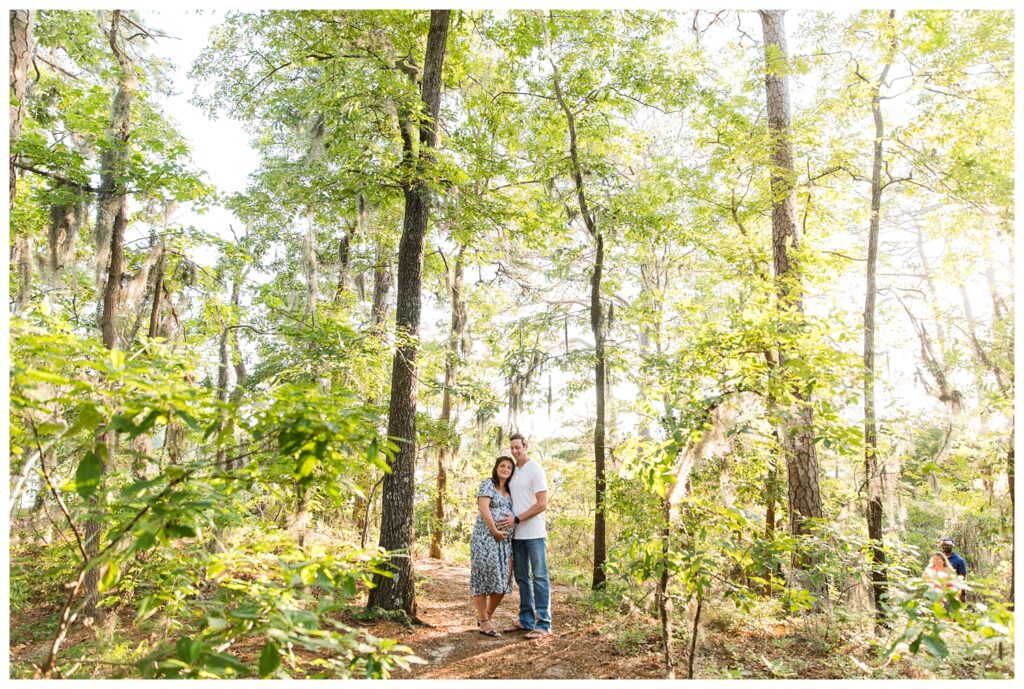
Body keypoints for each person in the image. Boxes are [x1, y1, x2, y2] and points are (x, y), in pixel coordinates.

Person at [496, 432, 551, 639]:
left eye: (518, 447)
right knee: (522, 578)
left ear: (526, 446)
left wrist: (517, 519)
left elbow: (542, 504)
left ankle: (544, 624)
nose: (514, 451)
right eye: (511, 448)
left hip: (535, 533)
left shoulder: (536, 470)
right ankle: (526, 620)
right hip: (516, 535)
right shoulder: (513, 470)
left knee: (539, 577)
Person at [470, 456, 516, 637]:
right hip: (485, 538)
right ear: (496, 468)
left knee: (503, 582)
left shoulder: (511, 490)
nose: (505, 469)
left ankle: (485, 617)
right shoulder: (488, 484)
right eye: (502, 466)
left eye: (509, 467)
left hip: (504, 543)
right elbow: (483, 508)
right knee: (482, 577)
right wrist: (495, 531)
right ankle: (484, 622)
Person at [939, 537, 967, 601]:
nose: (945, 547)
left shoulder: (959, 560)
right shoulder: (938, 558)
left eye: (947, 545)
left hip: (953, 591)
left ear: (952, 545)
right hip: (939, 591)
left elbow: (962, 578)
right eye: (943, 545)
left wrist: (963, 594)